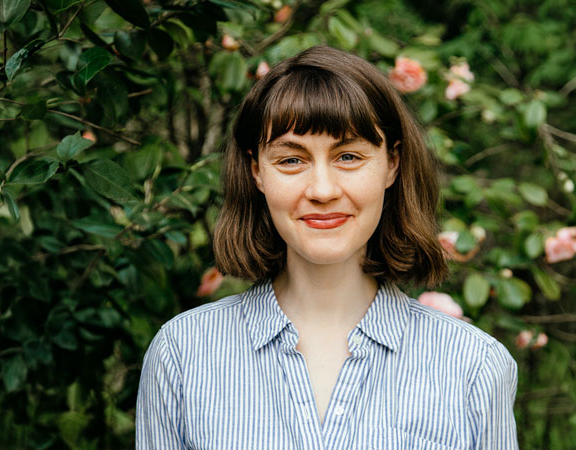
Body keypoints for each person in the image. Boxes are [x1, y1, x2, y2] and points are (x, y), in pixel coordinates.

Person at [136, 46, 518, 449]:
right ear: (256, 171)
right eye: (291, 160)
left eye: (349, 156)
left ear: (392, 164)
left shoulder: (474, 366)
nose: (322, 190)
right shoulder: (182, 354)